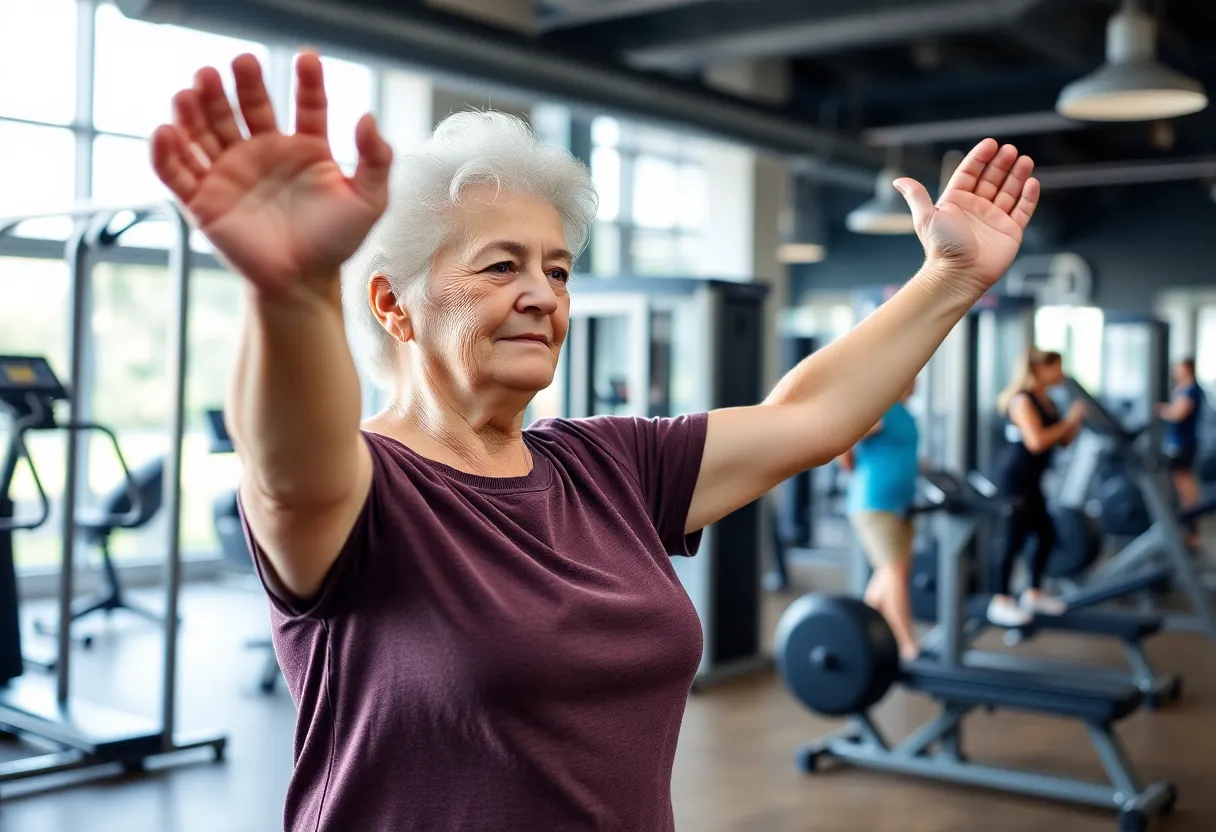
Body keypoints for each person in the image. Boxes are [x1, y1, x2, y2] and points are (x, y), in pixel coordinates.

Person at [149, 50, 1040, 832]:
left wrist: (949, 280)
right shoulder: (364, 492)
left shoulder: (608, 465)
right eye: (502, 265)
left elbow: (807, 419)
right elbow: (285, 466)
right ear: (393, 305)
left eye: (559, 269)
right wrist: (291, 295)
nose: (544, 294)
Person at [987, 349, 1086, 627]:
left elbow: (1062, 441)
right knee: (1013, 539)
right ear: (1040, 370)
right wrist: (1068, 421)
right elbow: (1036, 442)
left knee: (1045, 533)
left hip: (1034, 478)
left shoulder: (1049, 401)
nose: (1061, 374)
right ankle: (1001, 600)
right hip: (1014, 478)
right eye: (1056, 368)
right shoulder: (1022, 401)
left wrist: (1074, 422)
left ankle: (1033, 593)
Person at [837, 379, 922, 661]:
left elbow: (902, 454)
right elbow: (844, 440)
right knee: (894, 571)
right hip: (874, 502)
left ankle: (855, 633)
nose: (916, 382)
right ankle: (908, 645)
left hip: (902, 504)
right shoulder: (881, 410)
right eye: (911, 377)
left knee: (891, 573)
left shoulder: (905, 413)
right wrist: (850, 470)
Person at [1157, 358, 1205, 547]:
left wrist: (1160, 410)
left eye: (1179, 368)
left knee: (1187, 491)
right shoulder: (1183, 387)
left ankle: (1191, 533)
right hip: (1179, 442)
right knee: (1185, 487)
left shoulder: (1190, 389)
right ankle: (1188, 531)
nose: (1175, 371)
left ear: (1187, 369)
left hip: (1183, 444)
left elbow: (1179, 413)